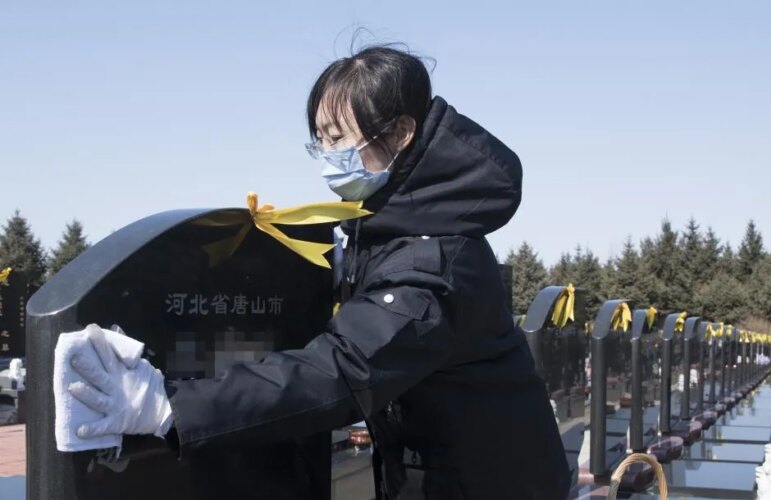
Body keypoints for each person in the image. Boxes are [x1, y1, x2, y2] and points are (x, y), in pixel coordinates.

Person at [64, 45, 570, 500]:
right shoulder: (398, 226)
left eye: (339, 138)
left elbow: (344, 370)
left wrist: (171, 407)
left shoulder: (432, 257)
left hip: (493, 482)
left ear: (398, 133)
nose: (329, 157)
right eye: (320, 141)